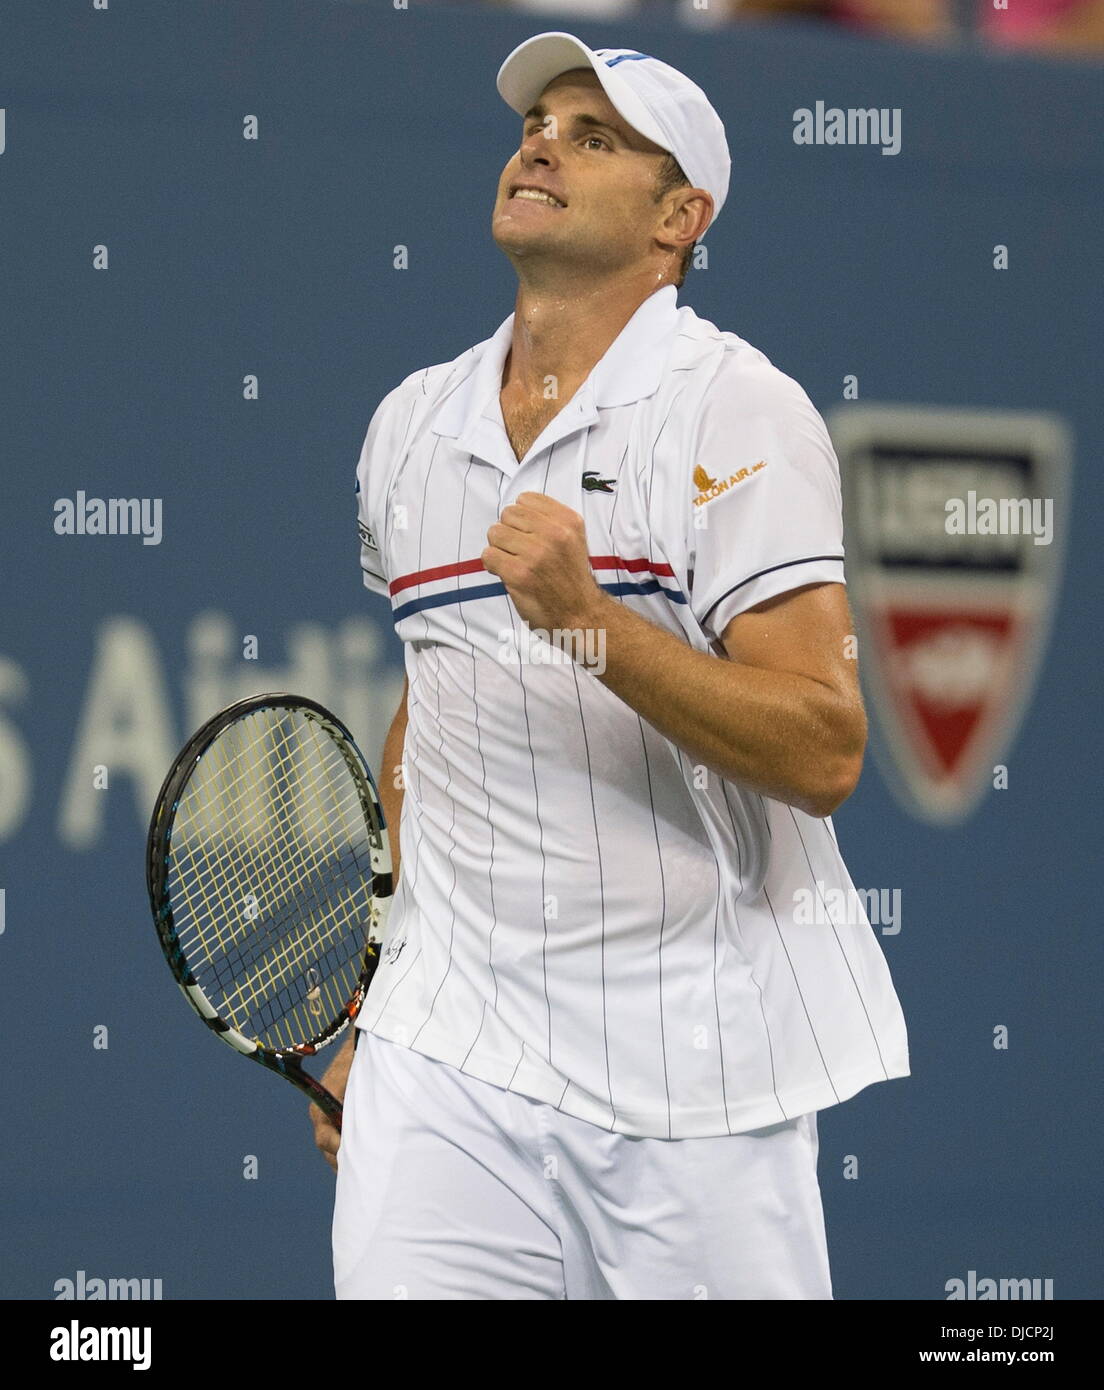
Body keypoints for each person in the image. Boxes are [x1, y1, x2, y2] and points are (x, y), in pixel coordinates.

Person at [314, 30, 910, 1300]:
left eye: (597, 139)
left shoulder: (737, 412)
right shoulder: (409, 426)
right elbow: (438, 710)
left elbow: (823, 745)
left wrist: (593, 618)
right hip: (450, 1064)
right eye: (538, 125)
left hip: (690, 1075)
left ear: (678, 217)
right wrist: (382, 1001)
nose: (541, 145)